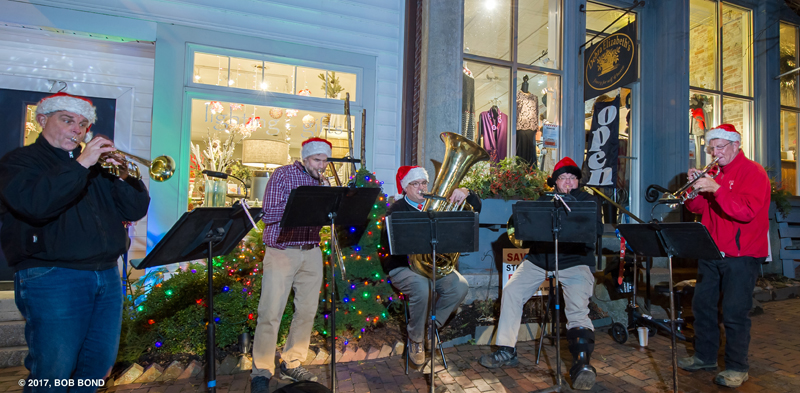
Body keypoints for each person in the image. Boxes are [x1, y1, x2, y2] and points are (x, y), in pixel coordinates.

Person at [0, 92, 150, 390]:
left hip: (105, 275)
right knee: (53, 371)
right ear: (42, 120)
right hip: (53, 276)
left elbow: (134, 209)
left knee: (97, 367)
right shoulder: (20, 162)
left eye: (82, 124)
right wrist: (82, 164)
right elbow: (36, 205)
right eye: (67, 120)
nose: (77, 130)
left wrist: (123, 176)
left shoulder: (98, 167)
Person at [479, 157, 602, 391]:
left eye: (572, 178)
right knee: (512, 291)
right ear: (554, 182)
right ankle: (506, 349)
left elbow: (593, 231)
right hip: (540, 260)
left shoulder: (588, 201)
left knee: (578, 308)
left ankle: (582, 364)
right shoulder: (543, 201)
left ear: (578, 181)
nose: (567, 182)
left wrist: (570, 202)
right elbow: (524, 231)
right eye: (562, 178)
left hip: (575, 261)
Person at [679, 124, 770, 388]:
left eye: (721, 147)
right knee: (702, 306)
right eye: (712, 148)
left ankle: (737, 367)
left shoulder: (753, 172)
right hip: (712, 250)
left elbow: (746, 211)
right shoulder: (716, 172)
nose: (716, 153)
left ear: (735, 145)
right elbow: (696, 207)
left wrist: (717, 189)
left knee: (734, 311)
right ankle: (705, 357)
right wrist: (694, 188)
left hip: (742, 253)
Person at [251, 137, 332, 392]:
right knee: (271, 312)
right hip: (282, 250)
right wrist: (300, 204)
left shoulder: (324, 182)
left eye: (325, 161)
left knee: (307, 310)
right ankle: (261, 370)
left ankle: (292, 361)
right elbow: (268, 212)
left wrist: (331, 202)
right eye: (318, 160)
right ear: (305, 158)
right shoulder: (283, 175)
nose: (322, 165)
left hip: (311, 250)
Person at [379, 166, 479, 368]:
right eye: (415, 184)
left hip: (431, 266)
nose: (421, 188)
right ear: (405, 187)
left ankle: (432, 326)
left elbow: (476, 206)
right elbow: (390, 245)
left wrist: (466, 192)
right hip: (402, 267)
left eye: (424, 183)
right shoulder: (396, 209)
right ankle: (416, 339)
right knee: (421, 286)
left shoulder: (436, 206)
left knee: (460, 286)